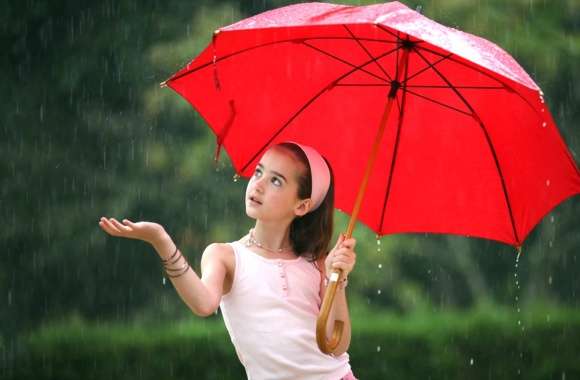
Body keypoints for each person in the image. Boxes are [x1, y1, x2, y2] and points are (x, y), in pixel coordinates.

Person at [98, 141, 358, 380]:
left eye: (276, 181)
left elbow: (337, 345)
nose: (257, 185)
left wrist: (337, 277)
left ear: (301, 206)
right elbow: (203, 304)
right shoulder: (226, 256)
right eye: (258, 172)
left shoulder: (318, 263)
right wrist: (161, 241)